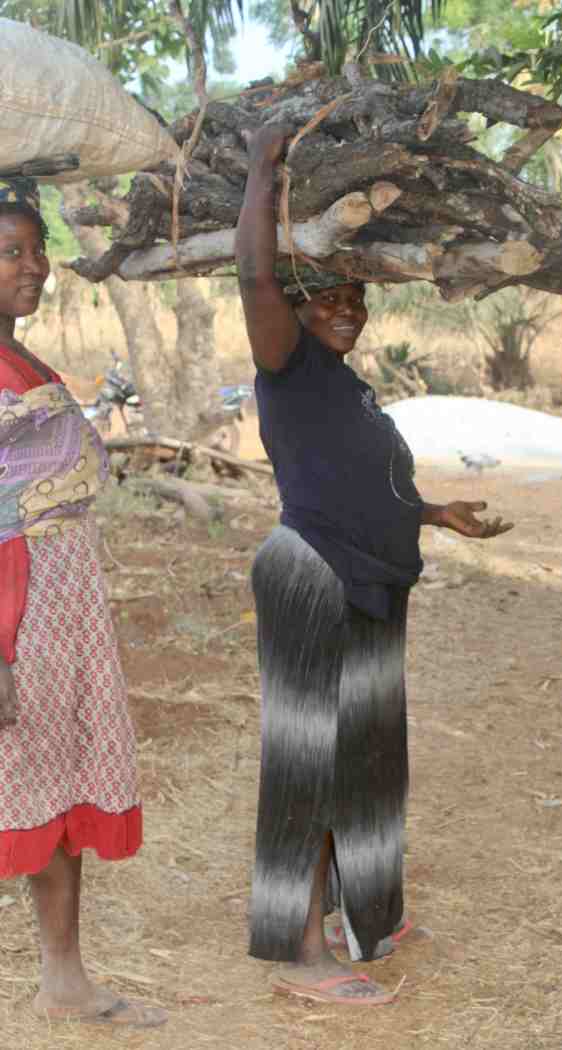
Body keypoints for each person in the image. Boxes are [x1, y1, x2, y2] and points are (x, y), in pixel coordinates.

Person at [236, 126, 514, 1007]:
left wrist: (436, 513)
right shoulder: (288, 366)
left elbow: (353, 484)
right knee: (309, 766)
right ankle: (297, 954)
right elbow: (254, 278)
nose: (349, 310)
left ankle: (370, 919)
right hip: (313, 580)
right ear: (302, 306)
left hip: (370, 587)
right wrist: (261, 167)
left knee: (369, 762)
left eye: (359, 299)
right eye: (330, 299)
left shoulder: (348, 388)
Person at [0, 177, 166, 1028]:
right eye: (12, 252)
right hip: (14, 607)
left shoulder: (24, 361)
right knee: (18, 786)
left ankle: (64, 977)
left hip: (60, 598)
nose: (37, 267)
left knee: (55, 783)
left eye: (38, 250)